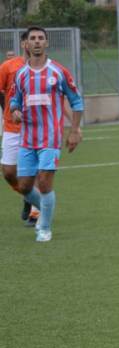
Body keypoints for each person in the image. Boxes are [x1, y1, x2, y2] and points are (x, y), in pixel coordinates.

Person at [9, 26, 83, 243]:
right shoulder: (21, 74)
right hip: (27, 138)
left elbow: (77, 101)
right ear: (26, 44)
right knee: (23, 186)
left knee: (44, 182)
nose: (37, 42)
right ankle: (47, 208)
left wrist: (74, 130)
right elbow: (15, 99)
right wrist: (14, 110)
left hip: (50, 138)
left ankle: (44, 227)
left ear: (47, 43)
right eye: (33, 38)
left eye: (41, 38)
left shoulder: (58, 72)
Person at [0, 30, 40, 226]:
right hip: (11, 127)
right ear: (24, 44)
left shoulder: (45, 69)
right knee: (8, 172)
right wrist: (7, 111)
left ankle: (36, 212)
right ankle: (28, 196)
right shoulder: (8, 67)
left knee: (36, 171)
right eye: (29, 39)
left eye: (38, 39)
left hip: (36, 128)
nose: (33, 43)